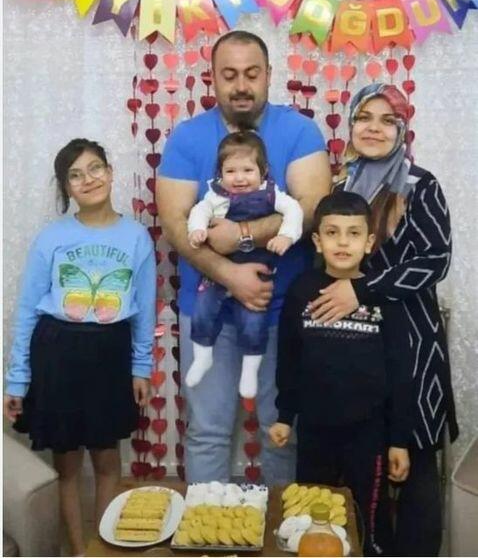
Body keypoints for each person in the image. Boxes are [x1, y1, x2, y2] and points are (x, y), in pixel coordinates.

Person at [157, 30, 331, 484]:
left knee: (282, 433)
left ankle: (282, 528)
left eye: (251, 74)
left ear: (269, 74)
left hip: (281, 312)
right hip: (207, 312)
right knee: (207, 433)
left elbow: (313, 207)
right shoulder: (187, 137)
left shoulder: (299, 131)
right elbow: (175, 222)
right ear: (212, 78)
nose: (241, 85)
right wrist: (229, 275)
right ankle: (207, 529)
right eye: (229, 74)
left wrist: (244, 235)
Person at [307, 83, 458, 556]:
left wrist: (363, 288)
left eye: (387, 120)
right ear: (350, 125)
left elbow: (435, 260)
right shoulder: (341, 186)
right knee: (357, 467)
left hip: (411, 345)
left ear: (402, 129)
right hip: (355, 346)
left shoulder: (420, 185)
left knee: (414, 466)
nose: (374, 128)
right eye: (364, 118)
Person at [3, 138, 156, 556]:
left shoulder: (136, 237)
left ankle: (103, 547)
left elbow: (144, 310)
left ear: (110, 172)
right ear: (66, 187)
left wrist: (141, 368)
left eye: (94, 168)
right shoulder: (51, 238)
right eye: (75, 175)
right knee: (67, 464)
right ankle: (78, 551)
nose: (88, 180)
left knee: (107, 458)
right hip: (58, 353)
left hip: (110, 354)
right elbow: (28, 310)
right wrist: (16, 381)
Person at [269, 191, 414, 556]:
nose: (343, 242)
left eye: (353, 233)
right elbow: (289, 358)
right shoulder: (302, 290)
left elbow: (400, 371)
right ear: (318, 241)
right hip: (315, 430)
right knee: (311, 515)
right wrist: (285, 415)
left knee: (369, 519)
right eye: (332, 233)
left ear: (369, 242)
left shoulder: (383, 297)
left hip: (370, 434)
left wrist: (399, 440)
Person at [186, 129, 303, 399]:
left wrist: (286, 236)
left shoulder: (272, 194)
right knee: (202, 310)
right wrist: (197, 229)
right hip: (218, 269)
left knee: (253, 321)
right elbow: (199, 210)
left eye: (248, 170)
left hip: (257, 271)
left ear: (263, 172)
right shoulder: (216, 195)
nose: (239, 178)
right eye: (231, 171)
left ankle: (250, 370)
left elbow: (295, 210)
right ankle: (203, 356)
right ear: (220, 173)